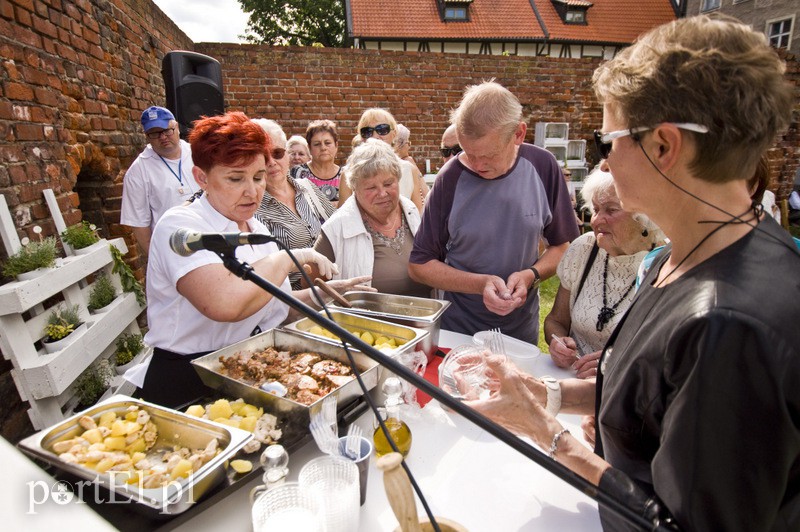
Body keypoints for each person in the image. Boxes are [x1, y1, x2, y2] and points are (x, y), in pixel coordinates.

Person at [467, 16, 799, 531]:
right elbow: (649, 396)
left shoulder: (729, 325)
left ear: (663, 146)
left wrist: (545, 430)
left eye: (608, 142)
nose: (604, 163)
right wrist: (548, 393)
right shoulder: (681, 252)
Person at [141, 111, 368, 408]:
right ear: (201, 178)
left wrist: (331, 296)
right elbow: (225, 303)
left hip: (243, 368)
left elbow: (279, 304)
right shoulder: (181, 226)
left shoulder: (255, 227)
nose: (252, 191)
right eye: (236, 178)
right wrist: (289, 258)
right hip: (187, 378)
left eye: (259, 177)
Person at [409, 81, 579, 343]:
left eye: (488, 155)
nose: (476, 165)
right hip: (458, 333)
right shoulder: (450, 178)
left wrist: (530, 276)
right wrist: (480, 284)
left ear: (518, 134)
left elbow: (563, 246)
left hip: (520, 333)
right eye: (468, 153)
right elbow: (419, 265)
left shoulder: (543, 167)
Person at [544, 168, 663, 379]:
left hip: (625, 393)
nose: (597, 220)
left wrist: (614, 364)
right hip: (571, 380)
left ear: (645, 215)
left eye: (611, 210)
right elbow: (555, 320)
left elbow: (667, 357)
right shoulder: (584, 249)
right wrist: (558, 341)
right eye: (596, 209)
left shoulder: (664, 264)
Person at [314, 139, 431, 298]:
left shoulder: (411, 212)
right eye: (371, 187)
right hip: (366, 321)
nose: (382, 193)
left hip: (424, 317)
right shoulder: (337, 228)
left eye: (389, 183)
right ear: (354, 188)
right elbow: (311, 284)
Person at [253, 119, 337, 290]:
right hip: (294, 299)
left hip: (333, 287)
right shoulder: (253, 208)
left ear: (287, 155)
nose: (271, 162)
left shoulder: (307, 187)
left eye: (277, 153)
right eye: (263, 155)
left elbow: (337, 224)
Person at [121, 106, 196, 258]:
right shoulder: (138, 172)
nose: (163, 137)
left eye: (167, 130)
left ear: (177, 128)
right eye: (155, 133)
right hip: (173, 252)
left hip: (212, 240)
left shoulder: (198, 153)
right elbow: (139, 223)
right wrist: (158, 260)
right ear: (147, 137)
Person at [338, 108, 429, 214]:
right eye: (367, 132)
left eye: (382, 130)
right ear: (361, 137)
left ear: (394, 134)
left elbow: (416, 216)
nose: (375, 136)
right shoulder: (349, 173)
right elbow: (344, 220)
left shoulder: (409, 170)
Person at [291, 120, 342, 205]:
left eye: (327, 143)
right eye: (317, 144)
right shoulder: (297, 173)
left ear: (336, 146)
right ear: (309, 148)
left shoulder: (345, 176)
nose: (323, 148)